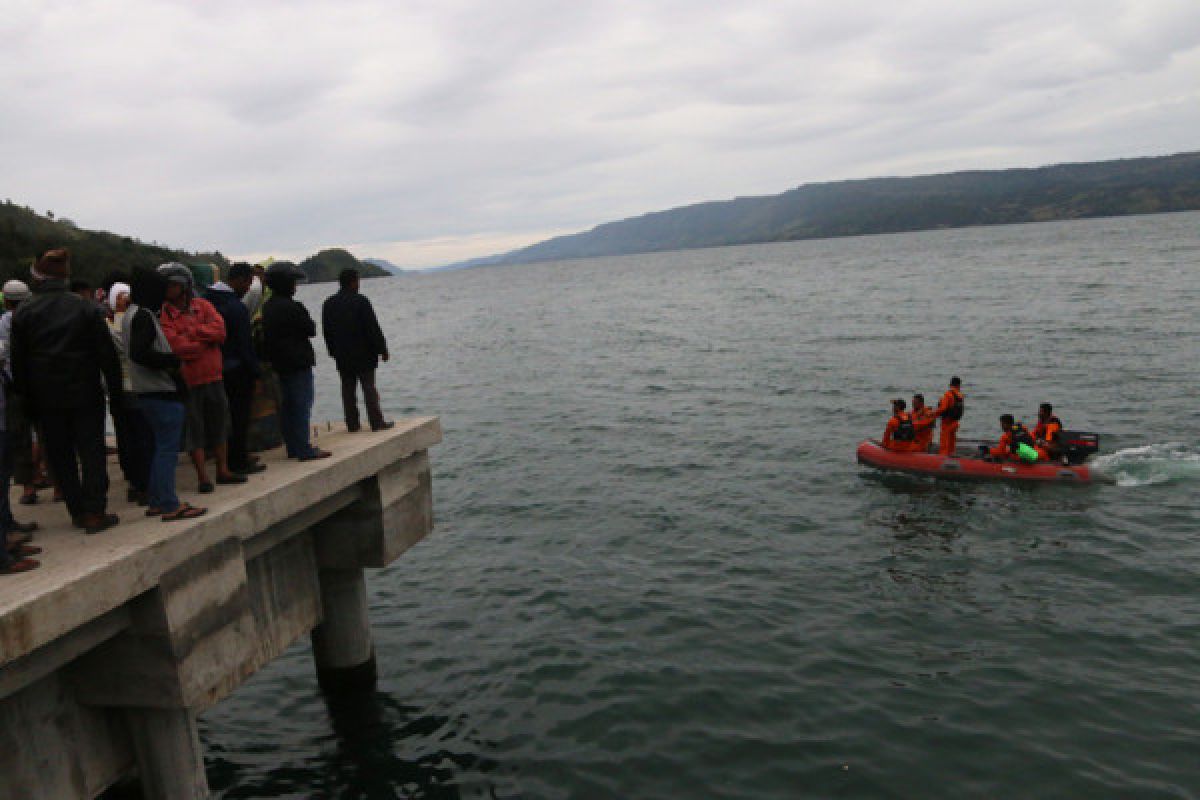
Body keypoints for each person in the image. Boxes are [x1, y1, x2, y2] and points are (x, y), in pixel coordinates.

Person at [10, 249, 123, 533]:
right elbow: (106, 355)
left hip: (45, 397)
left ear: (39, 276)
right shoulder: (85, 308)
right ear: (65, 276)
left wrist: (25, 400)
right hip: (85, 392)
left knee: (61, 457)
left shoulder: (24, 312)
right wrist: (116, 390)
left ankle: (78, 511)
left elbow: (18, 362)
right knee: (92, 453)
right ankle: (96, 511)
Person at [157, 263, 247, 493]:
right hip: (190, 380)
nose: (169, 289)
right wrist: (204, 340)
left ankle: (223, 470)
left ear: (184, 285)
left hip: (214, 375)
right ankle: (202, 477)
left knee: (220, 424)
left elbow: (221, 331)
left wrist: (193, 333)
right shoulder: (165, 315)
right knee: (194, 430)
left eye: (173, 284)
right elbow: (176, 346)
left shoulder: (203, 305)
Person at [124, 269, 206, 521]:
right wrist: (172, 360)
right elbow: (140, 353)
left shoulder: (130, 315)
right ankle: (170, 504)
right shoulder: (144, 317)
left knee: (160, 448)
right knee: (166, 450)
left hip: (145, 391)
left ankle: (158, 501)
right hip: (159, 391)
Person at [262, 262, 330, 461]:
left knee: (287, 407)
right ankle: (304, 449)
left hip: (279, 363)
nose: (295, 286)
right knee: (301, 406)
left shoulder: (268, 307)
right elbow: (311, 329)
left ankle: (293, 446)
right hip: (298, 363)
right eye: (292, 282)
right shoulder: (293, 307)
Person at [204, 263, 265, 474]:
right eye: (248, 282)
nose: (249, 288)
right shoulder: (236, 308)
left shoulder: (206, 301)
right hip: (237, 370)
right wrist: (256, 374)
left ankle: (225, 460)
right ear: (238, 280)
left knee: (221, 419)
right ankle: (239, 461)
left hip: (214, 369)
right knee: (240, 418)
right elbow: (244, 345)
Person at [322, 268, 393, 432]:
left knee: (347, 390)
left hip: (342, 354)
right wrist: (382, 349)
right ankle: (376, 422)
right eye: (357, 281)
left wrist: (332, 351)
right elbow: (372, 328)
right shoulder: (361, 301)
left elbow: (327, 331)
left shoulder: (329, 303)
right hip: (364, 353)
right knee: (369, 388)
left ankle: (352, 424)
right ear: (353, 282)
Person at [105, 281, 154, 504]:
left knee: (128, 439)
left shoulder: (108, 325)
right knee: (141, 438)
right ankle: (145, 483)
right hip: (136, 387)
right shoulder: (135, 322)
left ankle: (136, 482)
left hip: (120, 390)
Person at [0, 281, 45, 508]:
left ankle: (28, 486)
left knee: (21, 438)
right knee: (47, 433)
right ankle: (57, 484)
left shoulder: (4, 323)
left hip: (14, 388)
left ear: (6, 301)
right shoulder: (36, 318)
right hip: (41, 384)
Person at [933, 376, 965, 456]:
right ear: (959, 385)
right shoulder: (960, 395)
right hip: (955, 423)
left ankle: (943, 457)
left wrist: (933, 414)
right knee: (952, 441)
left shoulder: (948, 394)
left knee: (944, 443)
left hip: (947, 423)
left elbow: (943, 408)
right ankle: (951, 454)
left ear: (950, 384)